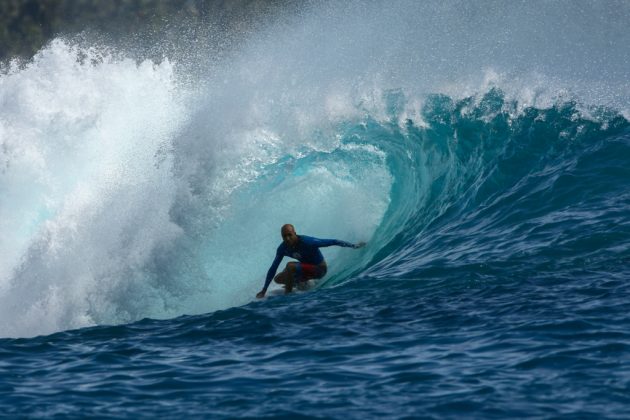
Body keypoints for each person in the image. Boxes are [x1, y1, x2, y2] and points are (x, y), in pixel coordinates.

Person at [256, 224, 365, 298]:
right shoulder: (282, 248)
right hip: (305, 270)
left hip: (319, 269)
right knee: (278, 278)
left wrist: (354, 246)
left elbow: (332, 241)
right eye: (285, 236)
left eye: (290, 235)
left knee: (290, 266)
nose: (288, 238)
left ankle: (287, 296)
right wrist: (264, 289)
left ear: (295, 233)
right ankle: (302, 284)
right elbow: (273, 268)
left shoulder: (308, 242)